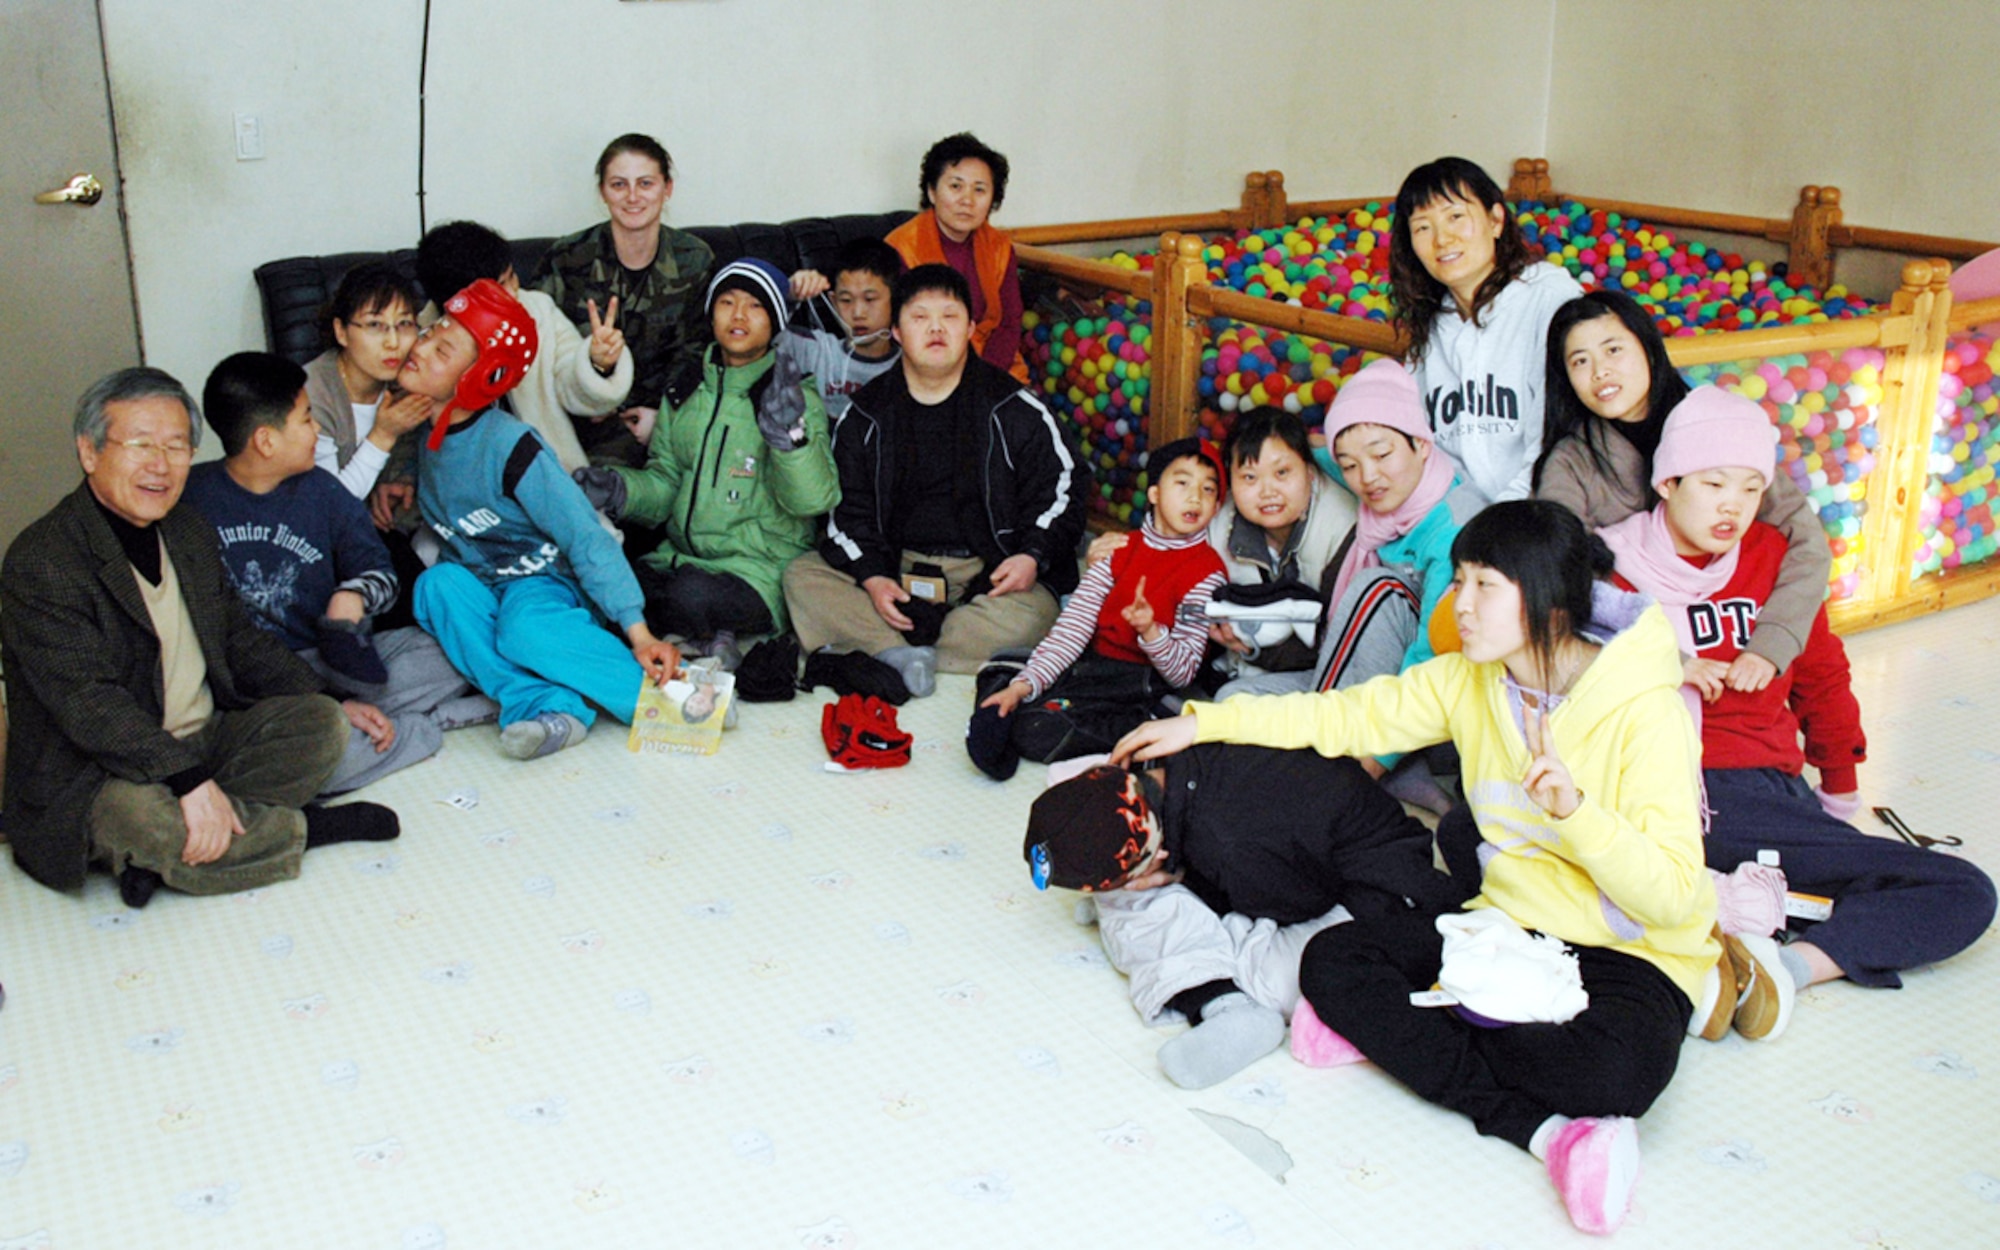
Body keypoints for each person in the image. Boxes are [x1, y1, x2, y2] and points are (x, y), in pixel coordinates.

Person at [1112, 500, 1715, 1236]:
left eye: (1485, 586)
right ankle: (1543, 1130)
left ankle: (1438, 1052)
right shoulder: (1470, 680)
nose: (1459, 604)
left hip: (1631, 952)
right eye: (1458, 581)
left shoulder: (1646, 711)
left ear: (1550, 599)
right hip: (1508, 930)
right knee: (1332, 963)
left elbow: (1677, 896)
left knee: (1610, 1075)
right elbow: (1339, 718)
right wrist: (1204, 722)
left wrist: (1578, 814)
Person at [1601, 385, 1996, 1018]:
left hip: (1771, 800)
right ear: (1668, 483)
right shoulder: (1611, 564)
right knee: (1956, 887)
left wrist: (1839, 793)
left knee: (1961, 893)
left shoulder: (1775, 560)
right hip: (1672, 790)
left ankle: (1771, 954)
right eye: (1714, 484)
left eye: (1751, 488)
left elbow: (1822, 679)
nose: (1733, 506)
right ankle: (1758, 934)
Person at [1, 368, 399, 910]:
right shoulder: (42, 561)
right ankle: (299, 831)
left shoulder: (186, 530)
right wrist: (186, 781)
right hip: (102, 770)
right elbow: (88, 703)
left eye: (176, 447)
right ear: (90, 452)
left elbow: (240, 639)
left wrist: (332, 698)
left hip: (206, 739)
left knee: (320, 724)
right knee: (146, 821)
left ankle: (160, 856)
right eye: (140, 445)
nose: (160, 466)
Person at [1023, 756, 1459, 1089]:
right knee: (1138, 897)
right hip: (1300, 853)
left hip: (1383, 891)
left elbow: (1297, 904)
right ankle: (1138, 916)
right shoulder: (1169, 758)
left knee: (1268, 971)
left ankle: (1227, 1004)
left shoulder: (1231, 848)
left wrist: (1186, 882)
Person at [183, 352, 495, 795]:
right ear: (266, 441)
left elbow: (380, 572)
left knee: (450, 647)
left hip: (335, 659)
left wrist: (353, 595)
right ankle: (419, 730)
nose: (317, 431)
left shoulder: (321, 490)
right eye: (307, 418)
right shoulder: (191, 501)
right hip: (256, 690)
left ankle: (369, 725)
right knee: (299, 763)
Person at [400, 279, 681, 759]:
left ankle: (669, 701)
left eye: (442, 348)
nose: (420, 346)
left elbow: (584, 535)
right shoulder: (417, 434)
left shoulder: (513, 447)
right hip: (482, 582)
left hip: (546, 585)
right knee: (435, 586)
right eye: (430, 333)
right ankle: (545, 704)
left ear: (477, 377)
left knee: (523, 628)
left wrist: (638, 631)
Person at [782, 264, 1087, 695]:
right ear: (897, 333)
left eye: (950, 316)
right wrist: (871, 577)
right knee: (802, 576)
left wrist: (1032, 556)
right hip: (894, 568)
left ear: (970, 329)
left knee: (1039, 613)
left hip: (986, 574)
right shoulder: (865, 413)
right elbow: (843, 511)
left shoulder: (1013, 407)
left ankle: (889, 651)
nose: (936, 328)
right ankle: (912, 650)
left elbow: (1065, 486)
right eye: (920, 317)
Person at [1535, 287, 1832, 677]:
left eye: (1613, 350)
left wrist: (1773, 642)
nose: (1599, 372)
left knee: (1822, 650)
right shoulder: (1571, 462)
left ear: (1648, 347)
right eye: (1579, 361)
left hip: (1739, 623)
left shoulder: (1714, 424)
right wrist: (1668, 662)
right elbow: (1559, 574)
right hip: (1644, 653)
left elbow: (1806, 541)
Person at [572, 259, 838, 669]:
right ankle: (708, 641)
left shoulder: (789, 393)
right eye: (727, 302)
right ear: (711, 314)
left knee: (688, 596)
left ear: (776, 320)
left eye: (755, 306)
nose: (738, 316)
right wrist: (619, 489)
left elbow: (812, 502)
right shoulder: (687, 387)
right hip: (678, 559)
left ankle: (703, 639)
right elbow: (665, 486)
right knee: (611, 585)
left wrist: (790, 439)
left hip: (757, 571)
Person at [1222, 361, 1484, 704]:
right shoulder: (1366, 478)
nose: (1368, 476)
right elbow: (1305, 456)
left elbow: (1432, 651)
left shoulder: (1453, 528)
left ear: (1421, 444)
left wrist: (1384, 752)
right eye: (1349, 465)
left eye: (1382, 454)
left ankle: (1331, 733)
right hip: (1344, 674)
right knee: (1233, 699)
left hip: (1408, 698)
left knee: (1376, 588)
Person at [966, 438, 1226, 778]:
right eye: (1182, 483)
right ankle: (1020, 705)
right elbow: (1072, 630)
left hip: (1143, 687)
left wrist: (1150, 631)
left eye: (1208, 490)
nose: (1195, 497)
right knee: (1000, 670)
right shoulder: (1117, 549)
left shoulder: (1207, 572)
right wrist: (1022, 686)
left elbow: (1183, 672)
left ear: (1217, 506)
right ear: (1154, 493)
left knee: (1036, 730)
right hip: (1093, 669)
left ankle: (1140, 735)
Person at [1389, 156, 1584, 504]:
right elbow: (1414, 440)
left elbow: (1560, 442)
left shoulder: (1550, 301)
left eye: (1455, 217)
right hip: (1457, 517)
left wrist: (1498, 528)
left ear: (1495, 220)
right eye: (1422, 227)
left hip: (1541, 514)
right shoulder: (1432, 327)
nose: (1442, 239)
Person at [533, 133, 714, 465]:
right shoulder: (567, 258)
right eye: (619, 185)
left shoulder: (695, 259)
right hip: (585, 419)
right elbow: (542, 354)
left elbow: (700, 351)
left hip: (671, 414)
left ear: (667, 188)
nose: (633, 197)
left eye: (645, 183)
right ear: (603, 192)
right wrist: (595, 393)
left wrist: (663, 414)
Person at [416, 219, 633, 477]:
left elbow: (572, 387)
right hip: (466, 478)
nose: (516, 290)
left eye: (513, 276)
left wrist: (597, 363)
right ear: (462, 299)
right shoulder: (423, 342)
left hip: (538, 472)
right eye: (503, 284)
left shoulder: (538, 311)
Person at [885, 133, 1027, 381]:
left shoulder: (999, 247)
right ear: (931, 191)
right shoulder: (901, 247)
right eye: (955, 186)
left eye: (979, 190)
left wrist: (985, 377)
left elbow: (1009, 322)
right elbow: (899, 331)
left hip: (994, 370)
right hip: (926, 373)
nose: (967, 200)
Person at [302, 262, 437, 502]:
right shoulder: (311, 396)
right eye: (375, 325)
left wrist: (397, 481)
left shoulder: (406, 380)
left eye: (404, 324)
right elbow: (329, 508)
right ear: (341, 331)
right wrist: (383, 435)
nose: (393, 343)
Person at [780, 237, 904, 421]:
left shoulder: (911, 362)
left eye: (870, 299)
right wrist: (787, 296)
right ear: (833, 301)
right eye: (846, 300)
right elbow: (759, 336)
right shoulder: (818, 351)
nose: (858, 313)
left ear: (895, 300)